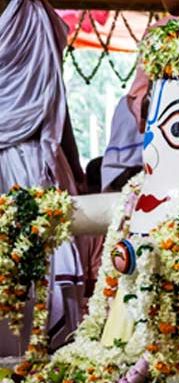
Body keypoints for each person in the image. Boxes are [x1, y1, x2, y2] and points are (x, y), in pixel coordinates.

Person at [0, 0, 86, 356]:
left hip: (34, 161)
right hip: (31, 162)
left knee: (38, 285)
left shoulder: (35, 16)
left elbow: (56, 100)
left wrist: (77, 172)